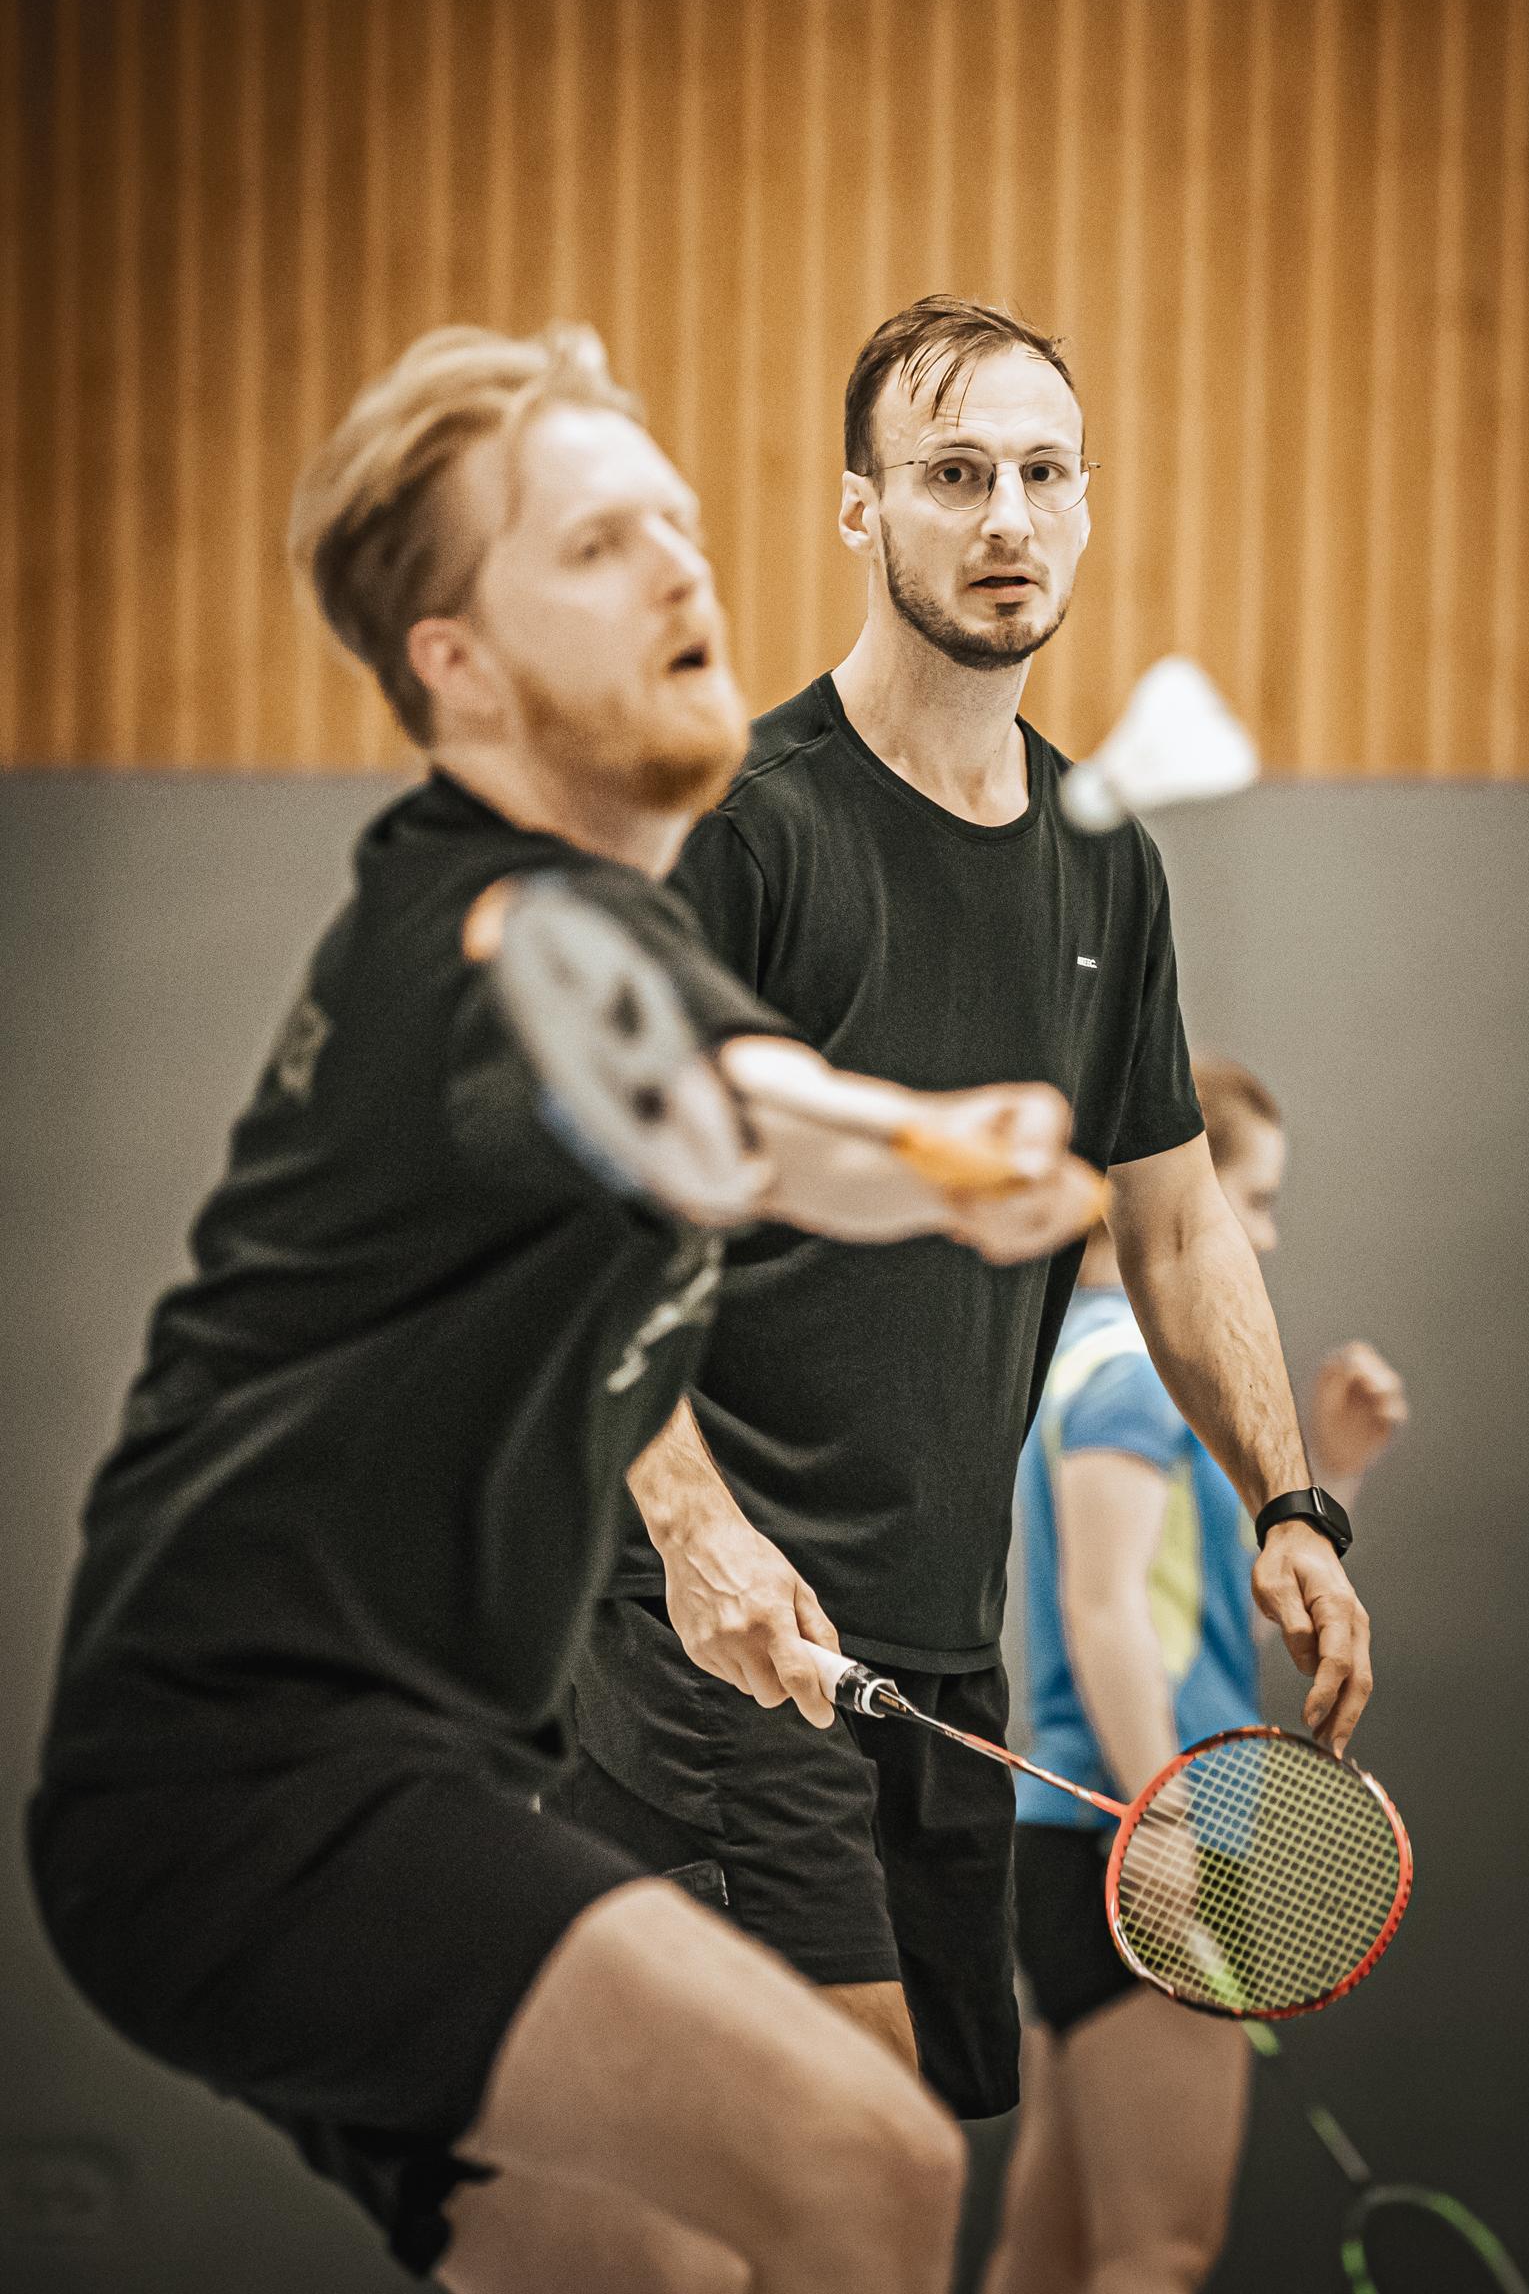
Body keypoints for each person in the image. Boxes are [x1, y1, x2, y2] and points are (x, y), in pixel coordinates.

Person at [25, 322, 1103, 2294]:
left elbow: (688, 1180)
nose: (683, 567)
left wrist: (709, 1554)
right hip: (262, 1791)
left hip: (321, 1788)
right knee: (867, 2162)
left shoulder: (549, 922)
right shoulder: (521, 930)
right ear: (458, 661)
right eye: (598, 547)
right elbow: (745, 1120)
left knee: (652, 2275)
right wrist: (944, 1149)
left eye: (681, 524)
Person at [549, 297, 1375, 2131]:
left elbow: (1168, 1229)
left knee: (843, 2182)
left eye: (1038, 474)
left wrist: (1289, 1502)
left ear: (1084, 507)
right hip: (709, 1644)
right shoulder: (743, 831)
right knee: (848, 2186)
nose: (1003, 515)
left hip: (930, 1657)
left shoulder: (1105, 855)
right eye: (950, 474)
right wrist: (691, 1531)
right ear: (859, 512)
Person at [990, 1057, 1408, 2294]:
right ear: (1177, 1189)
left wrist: (1326, 1474)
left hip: (1068, 1837)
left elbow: (1180, 1592)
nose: (1264, 1236)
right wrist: (1168, 1819)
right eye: (1250, 1202)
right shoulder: (1139, 1373)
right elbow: (1106, 1606)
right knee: (1157, 2255)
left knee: (1054, 2251)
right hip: (1154, 1827)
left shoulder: (1068, 1349)